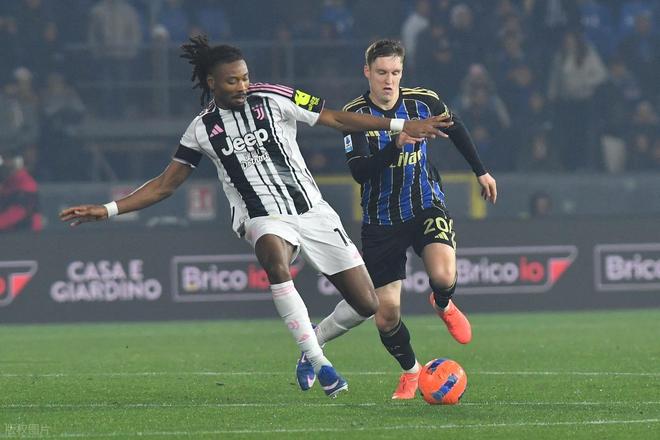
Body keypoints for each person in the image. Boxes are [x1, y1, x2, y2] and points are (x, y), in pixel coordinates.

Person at [59, 35, 452, 398]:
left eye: (245, 77)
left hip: (312, 211)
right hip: (261, 216)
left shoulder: (275, 97)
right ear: (212, 83)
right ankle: (322, 364)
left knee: (367, 304)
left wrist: (401, 124)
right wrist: (108, 210)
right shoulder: (201, 130)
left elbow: (334, 118)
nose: (242, 86)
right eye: (232, 81)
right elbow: (165, 185)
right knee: (274, 258)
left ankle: (311, 344)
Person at [339, 39, 497, 399]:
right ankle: (411, 371)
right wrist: (395, 144)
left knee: (443, 276)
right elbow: (360, 172)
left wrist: (481, 171)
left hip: (425, 203)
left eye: (395, 72)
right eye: (381, 72)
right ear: (367, 72)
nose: (388, 80)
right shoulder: (355, 114)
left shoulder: (423, 101)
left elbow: (456, 128)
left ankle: (442, 303)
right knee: (386, 316)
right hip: (381, 220)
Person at [0, 151, 42, 233]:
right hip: (9, 234)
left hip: (25, 236)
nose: (4, 163)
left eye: (7, 159)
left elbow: (18, 212)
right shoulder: (8, 183)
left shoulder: (27, 184)